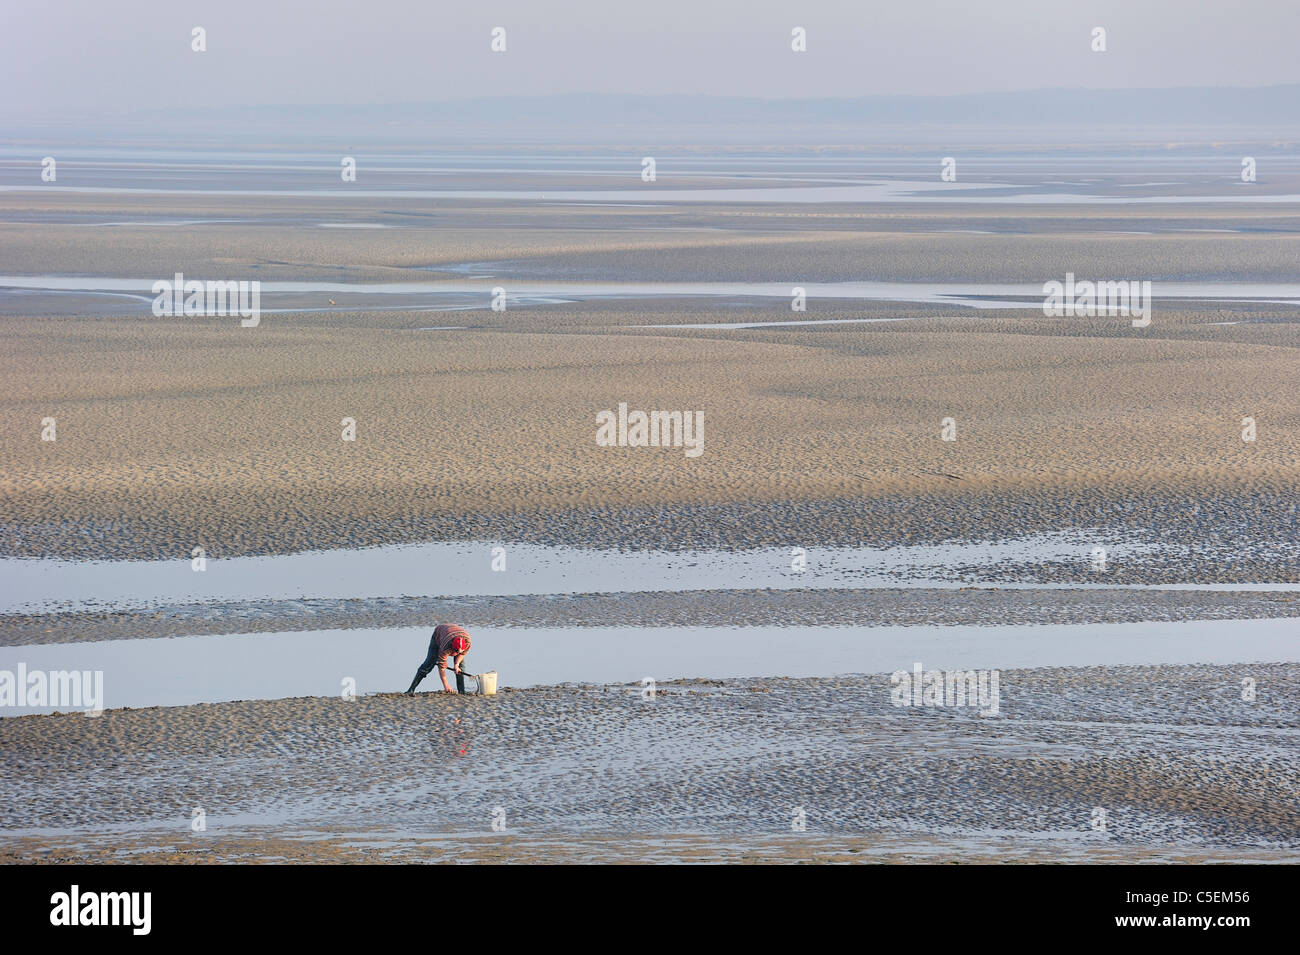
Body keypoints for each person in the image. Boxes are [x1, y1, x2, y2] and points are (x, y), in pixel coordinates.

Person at [405, 624, 472, 694]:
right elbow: (441, 667)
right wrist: (446, 685)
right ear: (452, 647)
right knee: (429, 663)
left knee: (460, 667)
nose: (457, 653)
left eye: (459, 651)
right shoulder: (445, 646)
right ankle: (411, 690)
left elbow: (462, 654)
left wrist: (456, 664)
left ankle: (461, 691)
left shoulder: (467, 642)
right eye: (456, 651)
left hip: (453, 631)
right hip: (439, 634)